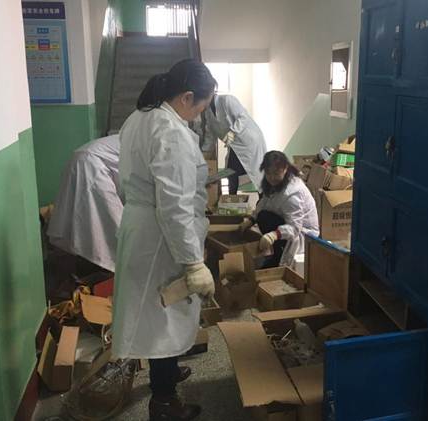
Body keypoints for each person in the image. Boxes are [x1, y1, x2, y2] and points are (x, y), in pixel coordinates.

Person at [111, 59, 217, 421]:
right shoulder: (170, 131)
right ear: (187, 97)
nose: (200, 115)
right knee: (166, 314)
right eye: (201, 106)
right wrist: (193, 262)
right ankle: (165, 403)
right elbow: (174, 205)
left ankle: (166, 373)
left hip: (140, 225)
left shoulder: (139, 117)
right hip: (161, 236)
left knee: (158, 314)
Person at [47, 135, 122, 271]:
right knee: (113, 234)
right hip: (92, 165)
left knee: (75, 225)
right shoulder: (160, 141)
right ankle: (89, 273)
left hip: (84, 158)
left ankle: (74, 271)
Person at [240, 151, 319, 268]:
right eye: (268, 173)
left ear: (285, 169)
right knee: (262, 215)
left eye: (276, 173)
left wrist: (274, 235)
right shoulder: (274, 183)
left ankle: (279, 255)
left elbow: (295, 227)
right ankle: (277, 252)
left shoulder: (293, 193)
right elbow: (264, 202)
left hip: (303, 234)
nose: (272, 177)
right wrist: (251, 220)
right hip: (286, 222)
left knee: (265, 218)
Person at [203, 94, 267, 194]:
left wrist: (233, 132)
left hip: (249, 142)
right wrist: (205, 153)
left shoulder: (226, 100)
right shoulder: (207, 113)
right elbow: (210, 134)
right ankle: (232, 199)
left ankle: (263, 199)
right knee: (231, 171)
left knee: (257, 173)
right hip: (235, 145)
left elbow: (243, 116)